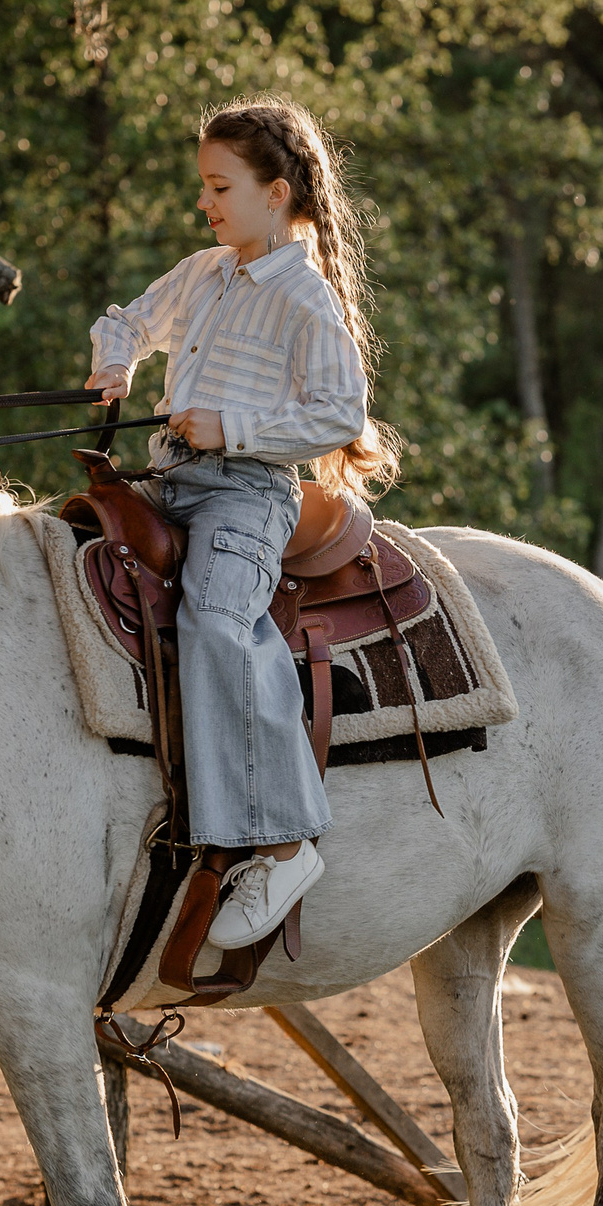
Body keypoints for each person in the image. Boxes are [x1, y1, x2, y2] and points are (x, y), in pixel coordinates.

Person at [86, 98, 398, 950]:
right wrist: (116, 364)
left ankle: (286, 840)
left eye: (220, 187)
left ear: (277, 191)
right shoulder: (203, 271)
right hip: (170, 480)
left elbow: (341, 411)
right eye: (204, 187)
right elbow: (125, 321)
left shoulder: (305, 298)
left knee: (220, 623)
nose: (206, 204)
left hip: (247, 496)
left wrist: (236, 429)